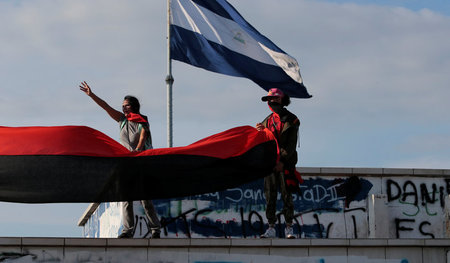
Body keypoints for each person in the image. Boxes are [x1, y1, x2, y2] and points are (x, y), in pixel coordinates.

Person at [79, 81, 161, 238]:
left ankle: (155, 229)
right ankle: (127, 230)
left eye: (127, 106)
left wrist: (138, 149)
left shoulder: (142, 120)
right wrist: (91, 95)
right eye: (123, 106)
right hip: (126, 163)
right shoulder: (122, 120)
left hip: (141, 161)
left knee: (145, 199)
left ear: (134, 106)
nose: (124, 108)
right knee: (126, 198)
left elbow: (143, 136)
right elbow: (106, 107)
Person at [256, 88, 301, 239]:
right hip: (270, 165)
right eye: (269, 99)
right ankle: (271, 227)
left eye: (275, 99)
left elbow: (291, 145)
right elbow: (264, 143)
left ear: (282, 100)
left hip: (285, 164)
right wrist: (259, 133)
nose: (272, 102)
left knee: (287, 195)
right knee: (270, 195)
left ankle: (289, 227)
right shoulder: (266, 121)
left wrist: (282, 161)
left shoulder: (292, 120)